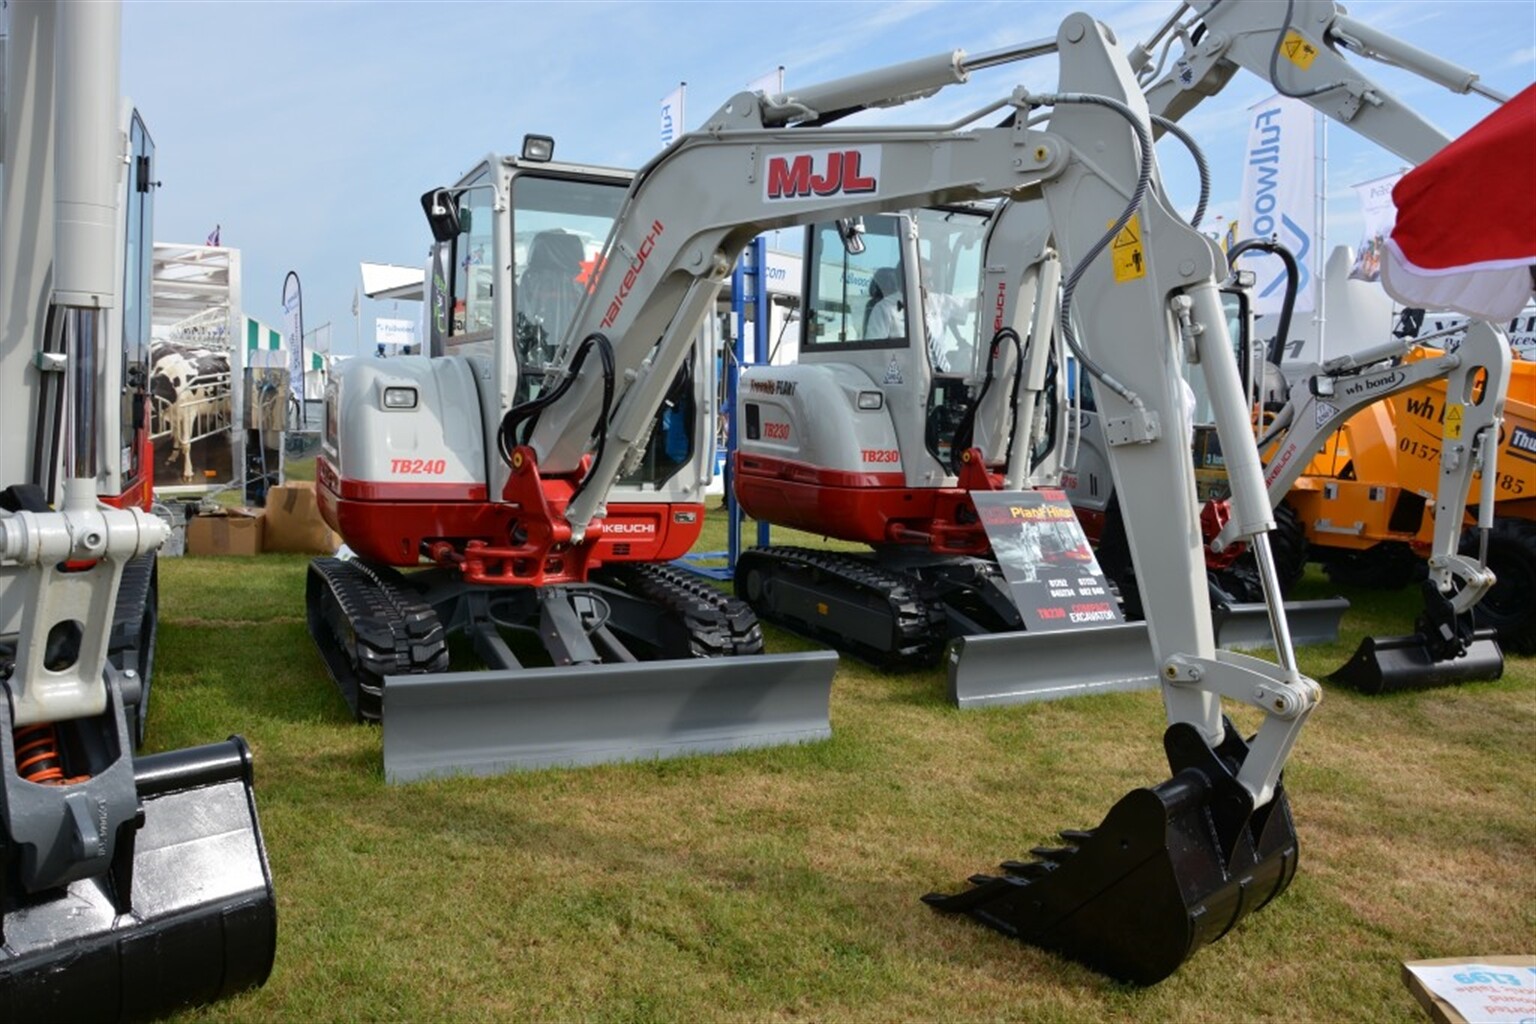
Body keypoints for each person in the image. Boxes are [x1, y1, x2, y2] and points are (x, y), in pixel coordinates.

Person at [864, 258, 973, 371]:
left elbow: (971, 305)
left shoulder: (936, 301)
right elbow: (873, 351)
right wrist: (895, 356)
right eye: (926, 280)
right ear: (908, 281)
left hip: (940, 372)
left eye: (932, 280)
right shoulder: (885, 309)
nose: (931, 285)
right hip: (907, 373)